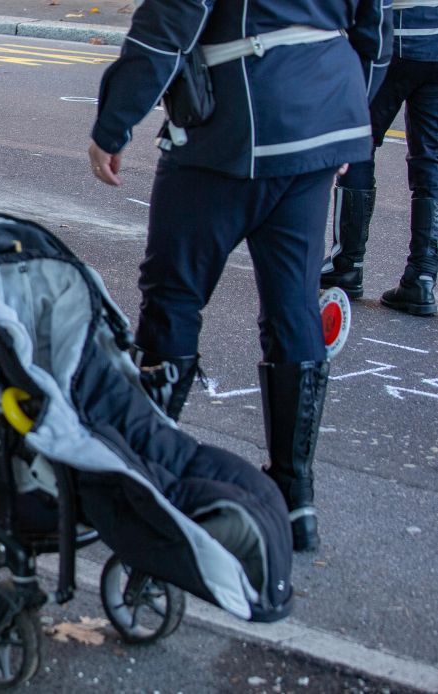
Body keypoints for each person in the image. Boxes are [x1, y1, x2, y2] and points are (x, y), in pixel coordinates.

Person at [87, 0, 391, 551]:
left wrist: (114, 125)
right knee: (293, 308)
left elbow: (166, 27)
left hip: (236, 126)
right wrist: (350, 119)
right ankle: (295, 499)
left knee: (174, 295)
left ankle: (150, 474)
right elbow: (375, 29)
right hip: (322, 118)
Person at [322, 2, 438, 317]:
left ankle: (347, 264)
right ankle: (423, 277)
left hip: (394, 29)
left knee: (360, 142)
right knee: (431, 162)